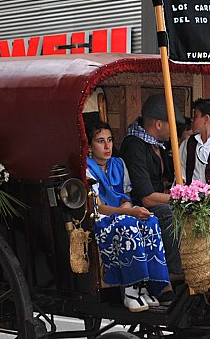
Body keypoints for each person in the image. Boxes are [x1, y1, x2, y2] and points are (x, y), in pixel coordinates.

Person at [84, 116, 170, 312]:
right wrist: (128, 212)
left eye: (110, 140)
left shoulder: (118, 163)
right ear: (89, 146)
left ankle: (149, 285)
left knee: (151, 220)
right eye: (100, 141)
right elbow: (97, 207)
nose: (107, 146)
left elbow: (126, 196)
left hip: (122, 212)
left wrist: (132, 209)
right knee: (127, 223)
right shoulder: (86, 168)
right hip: (102, 219)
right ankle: (130, 289)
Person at [120, 94, 184, 284]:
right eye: (171, 125)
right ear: (158, 124)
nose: (174, 131)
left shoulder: (160, 147)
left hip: (159, 199)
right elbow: (147, 198)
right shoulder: (134, 146)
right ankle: (174, 272)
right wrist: (180, 199)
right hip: (139, 207)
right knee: (169, 213)